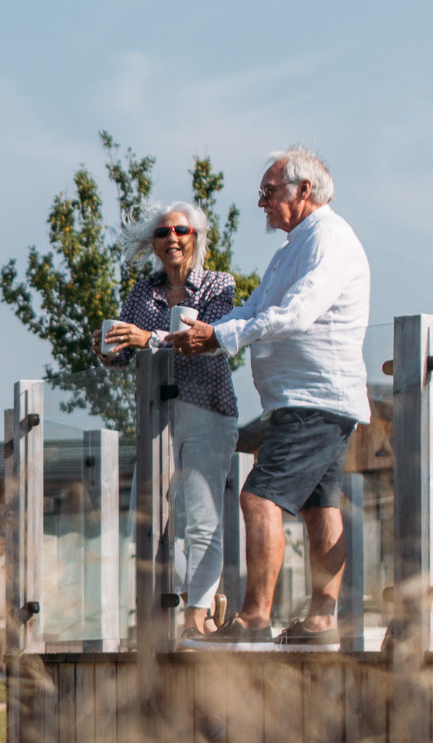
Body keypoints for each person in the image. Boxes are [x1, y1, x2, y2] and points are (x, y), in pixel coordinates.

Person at [171, 146, 370, 645]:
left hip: (313, 398)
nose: (261, 202)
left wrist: (217, 339)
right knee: (320, 508)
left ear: (304, 191)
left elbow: (298, 313)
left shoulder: (328, 239)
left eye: (269, 191)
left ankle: (254, 620)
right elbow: (255, 308)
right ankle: (322, 622)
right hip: (306, 398)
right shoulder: (292, 248)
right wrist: (207, 331)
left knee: (258, 497)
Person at [97, 202, 239, 639]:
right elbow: (124, 353)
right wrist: (107, 351)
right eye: (162, 233)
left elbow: (204, 340)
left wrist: (146, 338)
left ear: (196, 236)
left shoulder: (218, 286)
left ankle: (195, 620)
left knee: (201, 520)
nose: (172, 238)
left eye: (180, 230)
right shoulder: (143, 293)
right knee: (145, 522)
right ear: (153, 244)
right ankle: (181, 604)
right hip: (157, 417)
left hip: (208, 411)